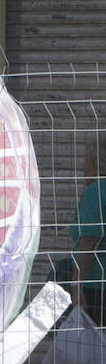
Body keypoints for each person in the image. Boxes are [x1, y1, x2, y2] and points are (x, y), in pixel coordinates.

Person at [70, 134, 106, 327]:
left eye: (86, 161)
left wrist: (76, 286)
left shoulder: (97, 191)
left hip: (97, 286)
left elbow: (90, 242)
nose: (83, 169)